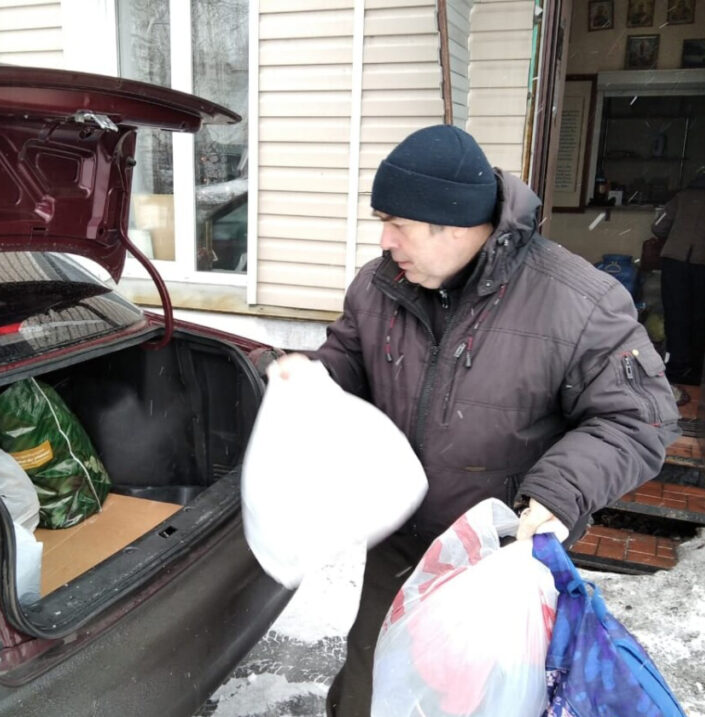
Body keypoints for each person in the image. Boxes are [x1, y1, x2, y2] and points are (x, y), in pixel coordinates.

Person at [271, 124, 681, 717]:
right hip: (401, 543)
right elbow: (349, 363)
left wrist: (559, 491)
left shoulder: (577, 302)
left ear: (456, 224)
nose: (385, 240)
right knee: (370, 689)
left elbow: (638, 418)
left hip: (499, 559)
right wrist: (311, 379)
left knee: (473, 701)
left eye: (398, 224)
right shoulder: (378, 286)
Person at [650, 171, 705, 389]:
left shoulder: (683, 196)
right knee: (702, 317)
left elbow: (658, 226)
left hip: (675, 261)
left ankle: (676, 366)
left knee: (676, 314)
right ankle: (697, 369)